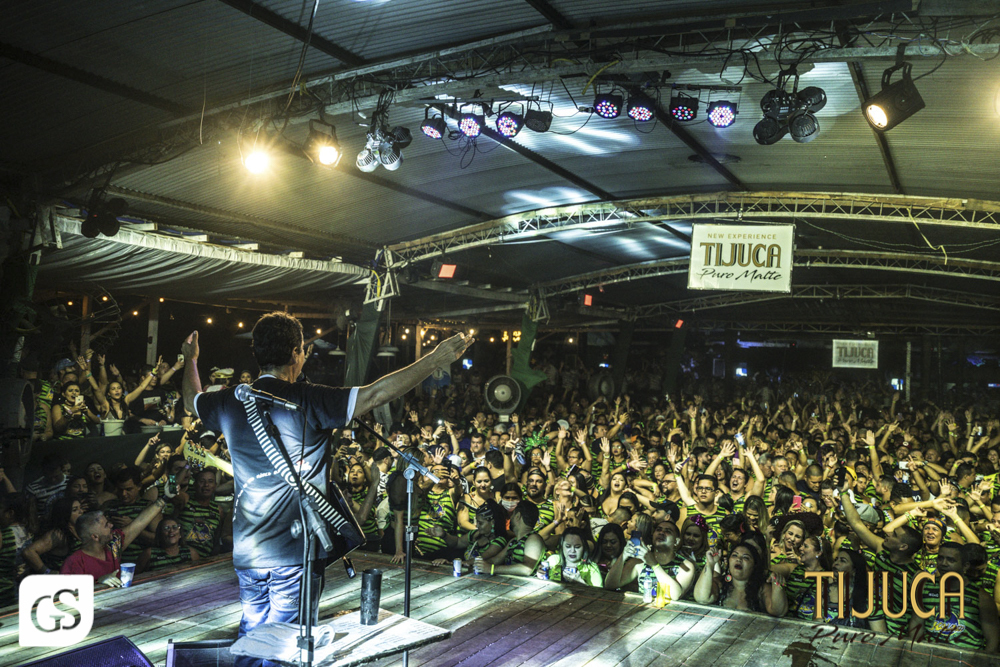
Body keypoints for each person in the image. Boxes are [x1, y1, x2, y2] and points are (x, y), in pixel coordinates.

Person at [181, 312, 472, 664]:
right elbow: (377, 393)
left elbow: (190, 399)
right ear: (296, 352)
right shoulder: (309, 398)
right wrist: (436, 359)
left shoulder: (230, 400)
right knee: (285, 648)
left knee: (252, 640)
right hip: (294, 550)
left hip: (248, 550)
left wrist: (190, 360)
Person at [61, 497, 167, 585]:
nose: (111, 525)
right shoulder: (74, 563)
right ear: (95, 537)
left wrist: (164, 499)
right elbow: (68, 599)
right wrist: (99, 582)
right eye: (106, 525)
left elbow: (138, 524)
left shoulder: (113, 545)